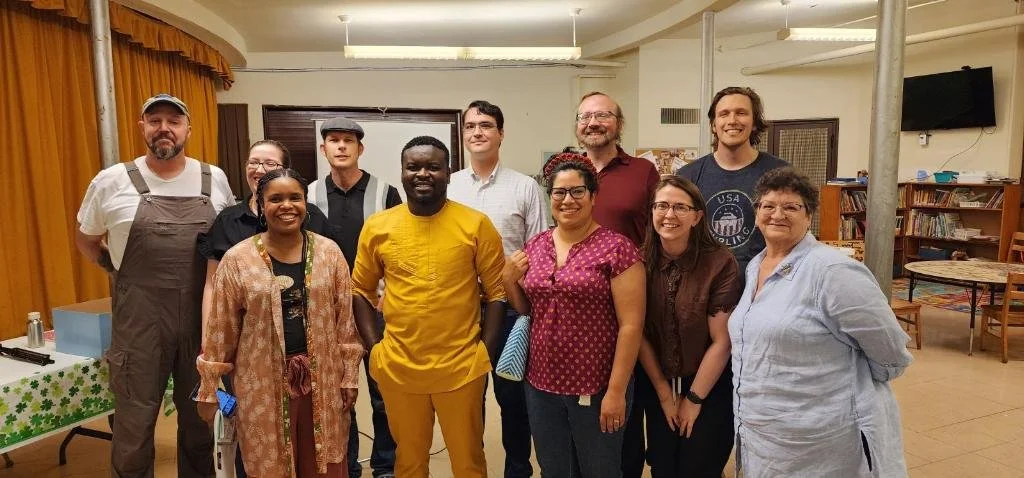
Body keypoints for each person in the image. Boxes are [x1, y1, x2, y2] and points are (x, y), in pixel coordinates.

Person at [75, 93, 233, 477]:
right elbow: (86, 239)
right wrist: (119, 273)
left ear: (188, 130)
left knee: (200, 419)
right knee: (134, 422)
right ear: (142, 127)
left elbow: (229, 247)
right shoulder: (112, 181)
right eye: (155, 120)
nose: (164, 128)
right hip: (138, 326)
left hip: (200, 323)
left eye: (174, 121)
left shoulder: (214, 179)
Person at [730, 167, 913, 477]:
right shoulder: (756, 266)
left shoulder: (832, 271)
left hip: (823, 438)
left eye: (791, 207)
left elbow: (891, 353)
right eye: (768, 205)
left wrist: (845, 385)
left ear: (809, 215)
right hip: (765, 436)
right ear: (757, 213)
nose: (778, 214)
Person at [351, 136, 506, 478]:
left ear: (448, 173)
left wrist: (485, 352)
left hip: (461, 367)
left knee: (468, 462)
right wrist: (374, 348)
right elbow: (359, 289)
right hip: (399, 367)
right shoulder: (378, 227)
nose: (423, 174)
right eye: (413, 167)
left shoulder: (476, 224)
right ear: (402, 173)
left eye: (433, 167)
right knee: (409, 462)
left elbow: (497, 293)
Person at [196, 168, 363, 477]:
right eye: (275, 199)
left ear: (305, 204)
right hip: (261, 384)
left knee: (325, 462)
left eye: (295, 198)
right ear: (262, 205)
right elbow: (221, 329)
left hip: (323, 381)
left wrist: (349, 376)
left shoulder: (329, 253)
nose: (287, 206)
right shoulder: (238, 260)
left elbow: (345, 324)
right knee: (270, 464)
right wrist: (209, 389)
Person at [503, 153, 645, 478]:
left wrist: (616, 391)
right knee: (554, 469)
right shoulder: (536, 246)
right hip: (541, 384)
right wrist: (508, 281)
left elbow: (631, 325)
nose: (568, 200)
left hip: (596, 385)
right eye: (559, 192)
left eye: (577, 191)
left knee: (600, 470)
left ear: (593, 196)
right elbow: (529, 310)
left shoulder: (617, 249)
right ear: (550, 197)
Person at [448, 100, 548, 478]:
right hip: (461, 312)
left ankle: (517, 470)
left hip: (509, 310)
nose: (477, 132)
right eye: (471, 126)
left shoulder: (524, 187)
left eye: (486, 125)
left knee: (513, 401)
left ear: (501, 134)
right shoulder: (450, 186)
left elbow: (539, 250)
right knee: (466, 401)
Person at [307, 117, 402, 478]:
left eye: (349, 140)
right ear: (324, 149)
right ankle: (346, 467)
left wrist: (390, 295)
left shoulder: (385, 192)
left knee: (384, 393)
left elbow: (399, 247)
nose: (342, 146)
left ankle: (386, 467)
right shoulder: (309, 195)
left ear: (360, 148)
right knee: (337, 396)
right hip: (328, 311)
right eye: (334, 140)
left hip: (376, 308)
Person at [576, 91, 658, 477]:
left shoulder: (643, 171)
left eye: (603, 115)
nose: (593, 123)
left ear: (619, 124)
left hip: (629, 305)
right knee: (583, 404)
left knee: (627, 402)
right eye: (585, 116)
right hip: (580, 307)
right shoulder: (568, 170)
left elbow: (658, 231)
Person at [637, 177, 739, 477]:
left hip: (707, 379)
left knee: (699, 463)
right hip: (657, 376)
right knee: (663, 464)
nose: (669, 215)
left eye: (680, 207)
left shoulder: (720, 263)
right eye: (661, 206)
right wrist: (663, 393)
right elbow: (636, 331)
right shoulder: (638, 260)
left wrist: (693, 400)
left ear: (697, 217)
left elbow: (722, 341)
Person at [677, 86, 788, 276]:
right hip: (704, 284)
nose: (732, 120)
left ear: (754, 122)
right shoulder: (687, 177)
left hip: (765, 284)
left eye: (741, 113)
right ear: (713, 124)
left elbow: (796, 232)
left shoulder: (781, 174)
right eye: (724, 114)